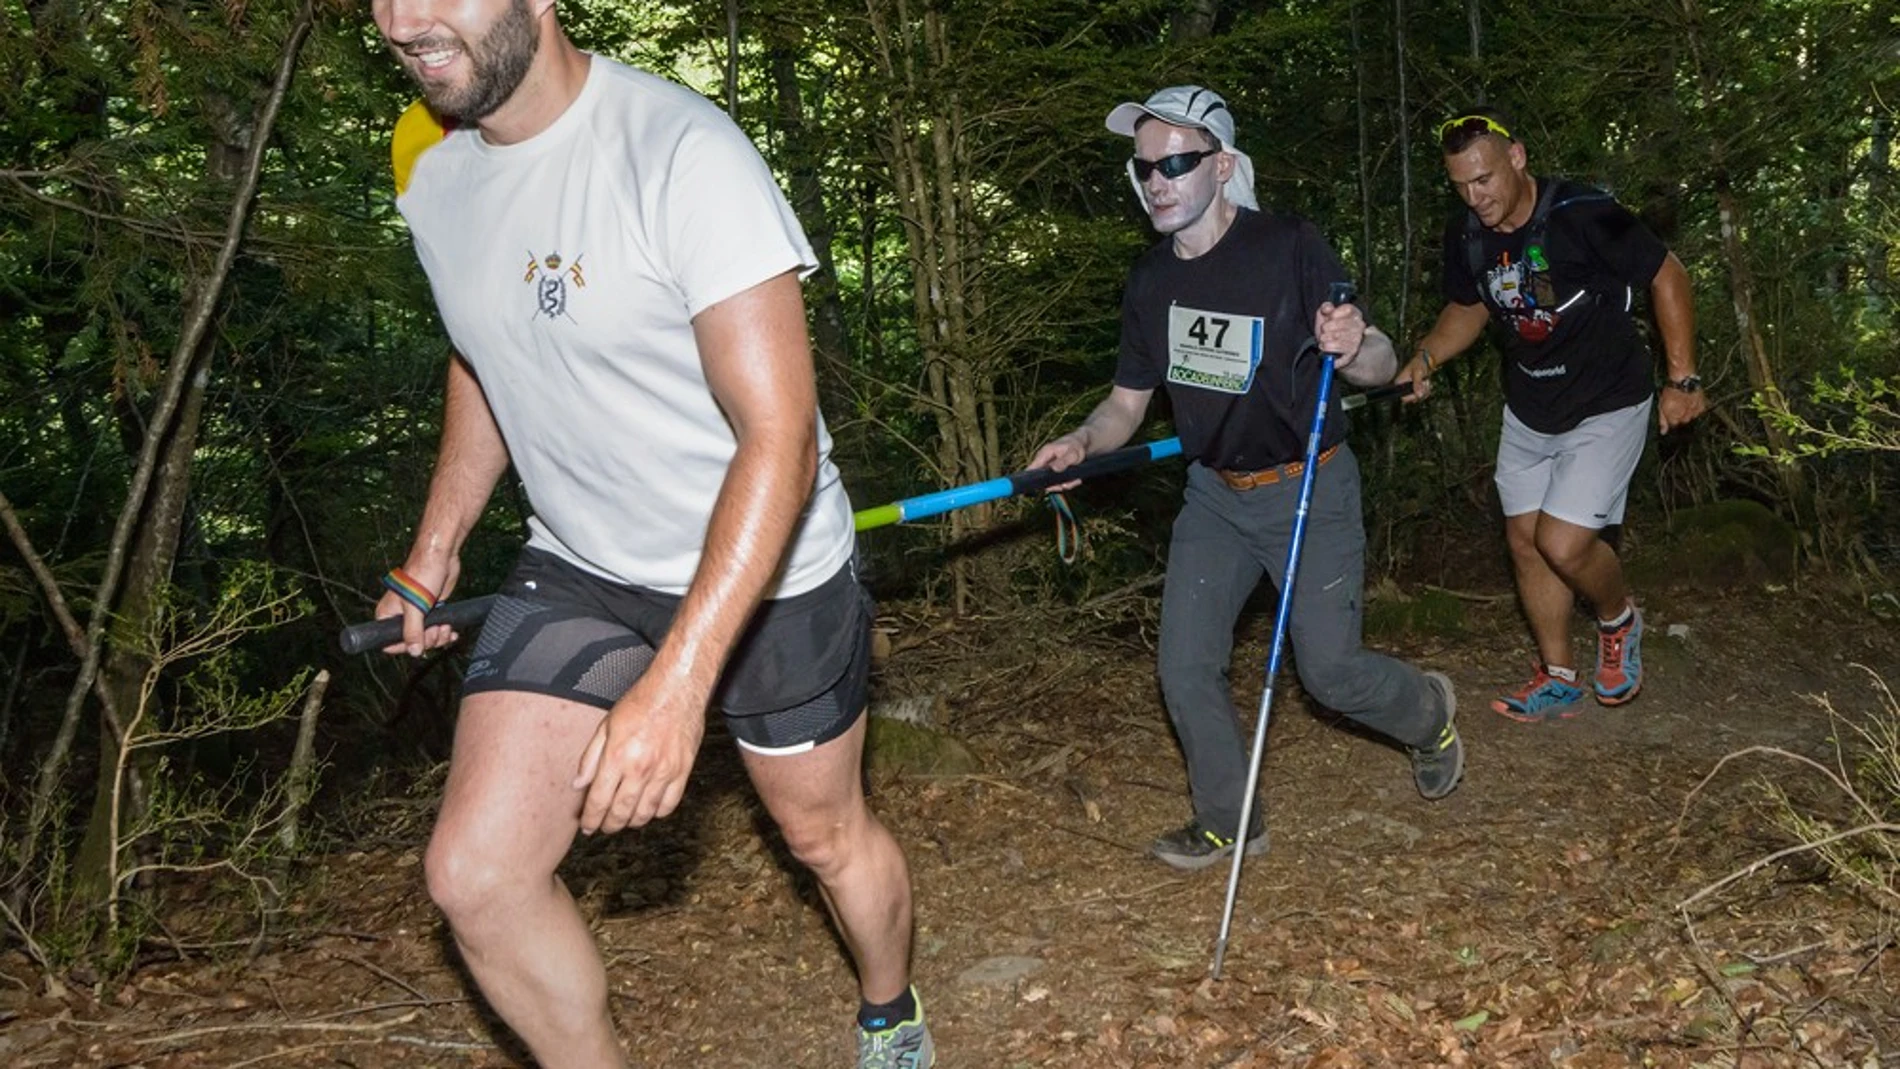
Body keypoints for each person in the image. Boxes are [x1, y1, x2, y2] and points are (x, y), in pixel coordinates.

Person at [367, 0, 933, 1065]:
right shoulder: (434, 176)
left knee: (821, 834)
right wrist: (434, 548)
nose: (404, 19)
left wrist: (675, 694)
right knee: (475, 876)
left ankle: (890, 1008)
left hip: (769, 565)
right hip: (582, 561)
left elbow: (781, 439)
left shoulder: (681, 152)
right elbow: (487, 355)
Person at [1029, 86, 1463, 874]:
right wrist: (1081, 444)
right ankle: (1230, 818)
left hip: (1311, 487)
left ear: (1222, 167)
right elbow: (1127, 403)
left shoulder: (1289, 247)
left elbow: (1374, 367)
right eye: (1145, 168)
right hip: (1216, 498)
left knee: (1329, 673)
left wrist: (1352, 340)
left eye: (1177, 163)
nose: (1156, 181)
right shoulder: (1151, 282)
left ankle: (1428, 712)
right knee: (1184, 665)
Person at [1398, 106, 1706, 722]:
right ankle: (1559, 676)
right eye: (1459, 185)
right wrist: (1426, 357)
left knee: (1562, 542)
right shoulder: (1469, 236)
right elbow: (1471, 307)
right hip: (1531, 407)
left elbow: (1666, 275)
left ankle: (1619, 622)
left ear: (1516, 158)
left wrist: (1683, 377)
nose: (1473, 196)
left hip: (1608, 403)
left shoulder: (1583, 213)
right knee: (1525, 542)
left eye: (1482, 179)